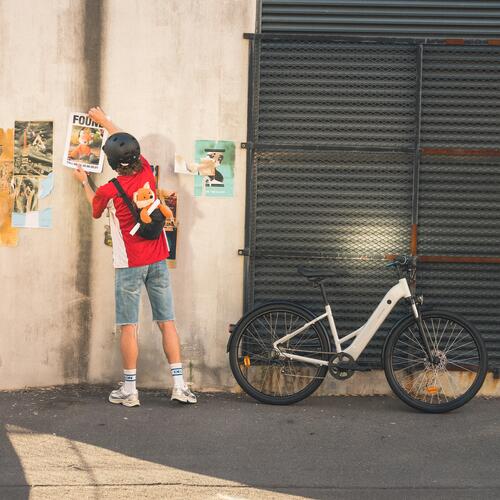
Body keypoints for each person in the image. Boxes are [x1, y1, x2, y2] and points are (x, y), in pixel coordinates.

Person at [73, 106, 196, 407]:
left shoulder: (109, 190)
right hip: (158, 259)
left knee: (129, 326)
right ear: (136, 156)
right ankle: (180, 386)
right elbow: (125, 141)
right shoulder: (146, 172)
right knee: (167, 322)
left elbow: (94, 207)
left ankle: (130, 390)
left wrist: (84, 182)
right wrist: (105, 121)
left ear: (113, 164)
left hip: (129, 264)